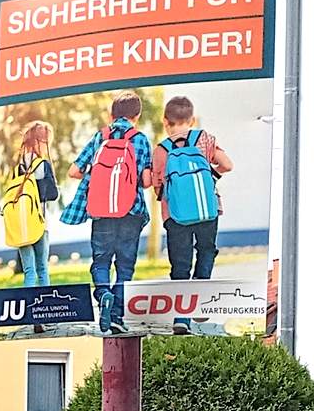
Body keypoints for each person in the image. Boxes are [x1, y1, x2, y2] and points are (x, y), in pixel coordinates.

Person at [62, 90, 153, 334]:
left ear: (111, 114)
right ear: (137, 115)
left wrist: (96, 171)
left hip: (102, 212)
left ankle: (103, 293)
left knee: (100, 261)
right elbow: (146, 181)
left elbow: (74, 171)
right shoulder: (141, 139)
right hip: (131, 212)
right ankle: (116, 316)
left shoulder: (99, 137)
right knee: (125, 267)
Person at [152, 94, 234, 333]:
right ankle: (200, 300)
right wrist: (211, 175)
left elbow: (159, 186)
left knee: (180, 264)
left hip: (175, 215)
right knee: (207, 250)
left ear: (165, 121)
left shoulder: (161, 150)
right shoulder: (205, 139)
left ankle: (181, 318)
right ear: (192, 119)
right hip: (207, 209)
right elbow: (227, 165)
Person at [3, 121, 59, 288]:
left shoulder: (17, 168)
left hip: (20, 226)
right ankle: (44, 303)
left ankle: (28, 304)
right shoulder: (43, 165)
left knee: (29, 270)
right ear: (41, 143)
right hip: (39, 223)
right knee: (42, 269)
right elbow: (52, 195)